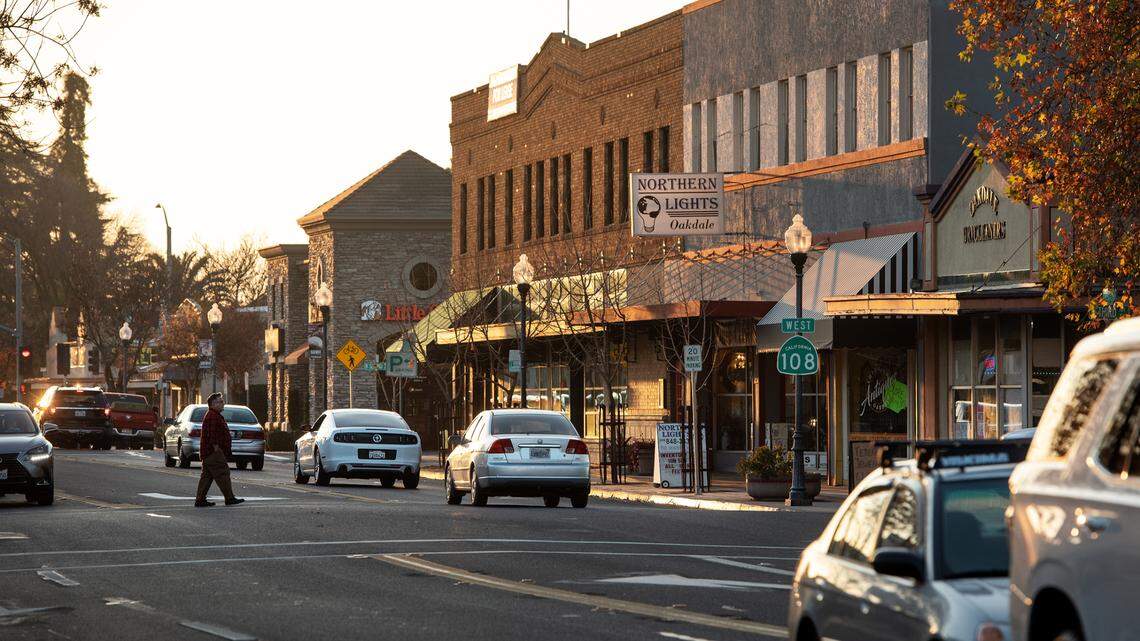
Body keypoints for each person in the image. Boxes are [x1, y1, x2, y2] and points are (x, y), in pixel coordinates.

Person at [194, 393, 244, 507]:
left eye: (222, 401)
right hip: (212, 452)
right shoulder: (212, 416)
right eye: (220, 402)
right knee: (223, 473)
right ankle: (229, 498)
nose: (223, 404)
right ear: (213, 404)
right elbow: (212, 434)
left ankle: (200, 499)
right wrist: (216, 448)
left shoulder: (213, 415)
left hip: (208, 452)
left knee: (207, 476)